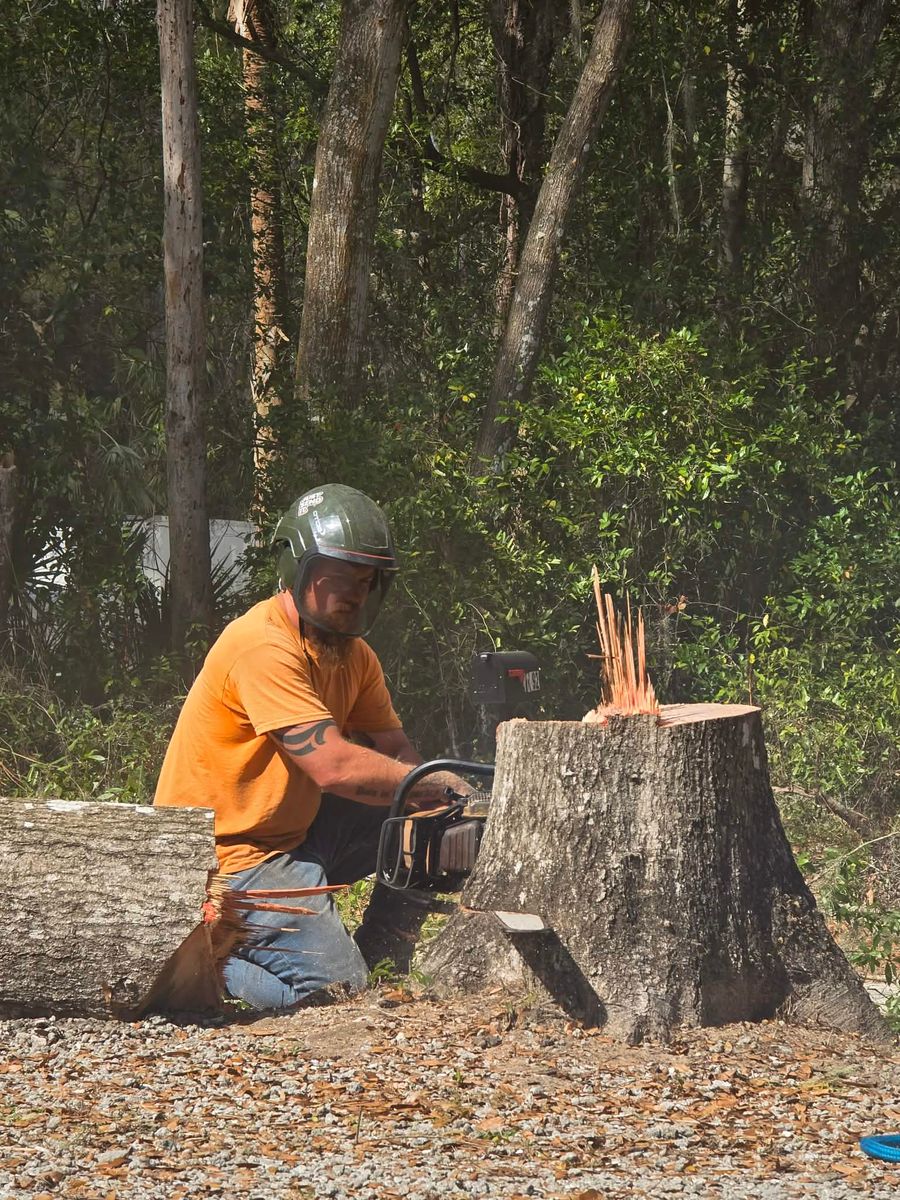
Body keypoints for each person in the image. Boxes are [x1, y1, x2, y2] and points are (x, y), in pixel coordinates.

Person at [154, 484, 467, 1010]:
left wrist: (435, 795)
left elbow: (395, 748)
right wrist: (431, 781)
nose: (356, 595)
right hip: (229, 857)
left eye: (367, 581)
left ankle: (385, 949)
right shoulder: (262, 646)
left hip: (296, 832)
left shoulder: (355, 655)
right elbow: (333, 767)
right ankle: (210, 960)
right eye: (341, 577)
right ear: (296, 571)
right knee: (337, 995)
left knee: (434, 813)